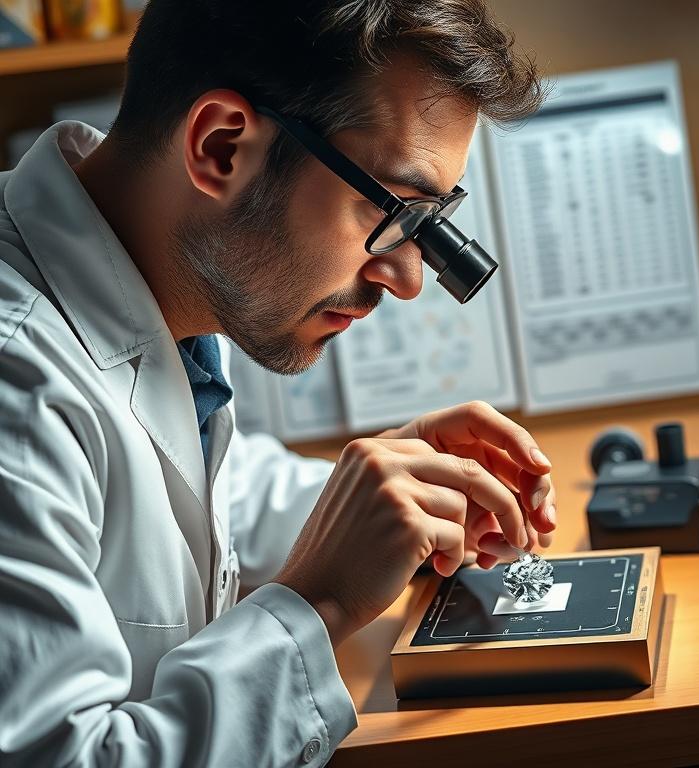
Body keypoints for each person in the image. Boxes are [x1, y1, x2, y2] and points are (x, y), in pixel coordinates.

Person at [0, 1, 552, 764]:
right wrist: (320, 604)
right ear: (222, 147)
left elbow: (207, 492)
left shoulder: (159, 280)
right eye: (390, 209)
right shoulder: (17, 390)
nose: (407, 278)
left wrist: (404, 502)